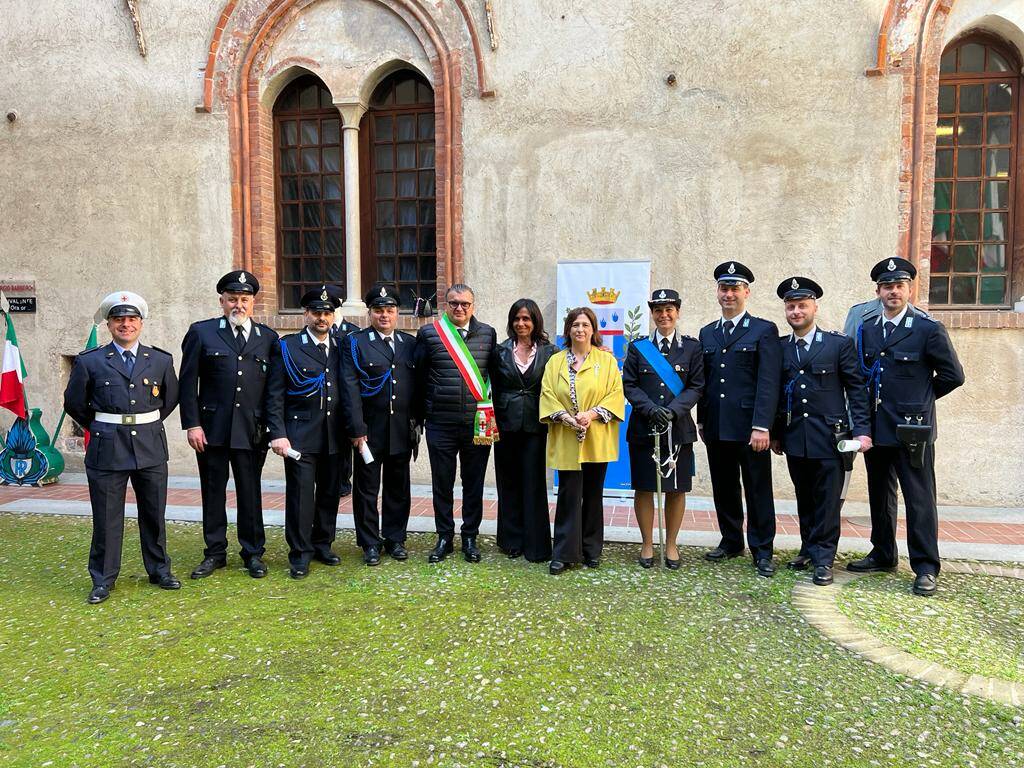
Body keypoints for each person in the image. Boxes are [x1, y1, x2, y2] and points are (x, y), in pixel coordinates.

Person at [848, 257, 965, 596]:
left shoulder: (928, 329)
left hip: (913, 430)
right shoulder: (867, 329)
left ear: (909, 289)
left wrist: (920, 401)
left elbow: (952, 376)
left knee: (919, 499)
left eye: (899, 285)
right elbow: (862, 380)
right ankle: (883, 552)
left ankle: (926, 566)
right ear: (878, 291)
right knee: (879, 494)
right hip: (878, 427)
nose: (893, 291)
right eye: (887, 286)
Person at [63, 292, 181, 604]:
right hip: (107, 446)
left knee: (154, 513)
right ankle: (103, 579)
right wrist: (102, 426)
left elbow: (169, 400)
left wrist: (143, 422)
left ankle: (159, 570)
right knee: (106, 517)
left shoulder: (160, 360)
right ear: (109, 324)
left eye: (131, 319)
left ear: (141, 323)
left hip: (150, 446)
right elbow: (75, 403)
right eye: (118, 320)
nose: (125, 325)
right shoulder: (91, 361)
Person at [769, 277, 872, 586]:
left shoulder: (838, 344)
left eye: (802, 305)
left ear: (814, 307)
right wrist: (775, 433)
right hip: (794, 436)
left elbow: (856, 390)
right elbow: (774, 394)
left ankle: (824, 559)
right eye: (791, 306)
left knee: (827, 501)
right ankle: (808, 548)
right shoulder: (781, 348)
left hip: (831, 437)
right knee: (805, 498)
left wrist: (862, 431)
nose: (796, 311)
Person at [178, 270, 279, 580]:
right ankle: (215, 552)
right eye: (232, 299)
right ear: (222, 301)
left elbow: (273, 390)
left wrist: (272, 429)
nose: (239, 305)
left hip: (251, 430)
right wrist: (192, 425)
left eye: (245, 299)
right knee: (213, 492)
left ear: (253, 302)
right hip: (212, 430)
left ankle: (253, 553)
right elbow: (187, 383)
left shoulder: (267, 338)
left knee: (251, 493)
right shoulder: (202, 332)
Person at [697, 262, 782, 578]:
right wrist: (702, 421)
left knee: (758, 489)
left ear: (746, 292)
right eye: (724, 288)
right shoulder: (708, 333)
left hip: (751, 428)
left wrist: (763, 425)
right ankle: (731, 540)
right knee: (724, 486)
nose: (729, 294)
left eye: (735, 288)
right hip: (718, 425)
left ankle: (762, 549)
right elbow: (705, 382)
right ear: (718, 293)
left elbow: (768, 382)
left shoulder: (763, 330)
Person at [265, 284, 350, 578]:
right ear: (306, 313)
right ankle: (299, 553)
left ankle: (322, 544)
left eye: (327, 313)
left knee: (330, 493)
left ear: (333, 315)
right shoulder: (288, 346)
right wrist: (277, 433)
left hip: (334, 433)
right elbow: (275, 394)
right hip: (300, 434)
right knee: (301, 497)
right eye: (316, 312)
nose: (322, 318)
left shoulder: (342, 345)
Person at [414, 283, 498, 564]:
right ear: (445, 305)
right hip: (441, 423)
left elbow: (494, 376)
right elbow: (420, 378)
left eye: (465, 304)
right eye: (453, 303)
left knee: (473, 483)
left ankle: (470, 536)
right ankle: (444, 537)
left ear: (473, 306)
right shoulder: (429, 334)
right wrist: (425, 412)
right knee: (442, 483)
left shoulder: (488, 333)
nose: (459, 308)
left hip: (478, 423)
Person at [622, 289, 704, 569]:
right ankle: (647, 543)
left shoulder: (692, 348)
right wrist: (650, 409)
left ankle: (670, 544)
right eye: (658, 310)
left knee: (677, 489)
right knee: (644, 488)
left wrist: (672, 411)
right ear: (652, 314)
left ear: (677, 312)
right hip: (644, 427)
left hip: (678, 428)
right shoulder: (638, 347)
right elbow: (629, 384)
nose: (664, 315)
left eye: (669, 309)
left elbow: (697, 386)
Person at [539, 307, 625, 574]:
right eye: (575, 324)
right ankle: (564, 552)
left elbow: (614, 394)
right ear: (568, 330)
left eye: (585, 325)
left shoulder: (606, 361)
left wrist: (591, 414)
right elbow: (547, 393)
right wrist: (566, 417)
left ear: (593, 330)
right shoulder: (555, 361)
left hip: (596, 436)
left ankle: (591, 549)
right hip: (566, 435)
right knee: (568, 493)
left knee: (592, 494)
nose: (580, 329)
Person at [342, 284, 419, 565]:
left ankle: (395, 538)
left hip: (400, 428)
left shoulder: (410, 344)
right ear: (370, 313)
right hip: (369, 430)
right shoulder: (355, 342)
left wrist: (416, 424)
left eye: (389, 310)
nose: (384, 315)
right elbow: (349, 389)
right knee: (367, 489)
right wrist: (356, 429)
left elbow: (417, 388)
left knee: (399, 488)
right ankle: (369, 542)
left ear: (398, 313)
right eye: (378, 310)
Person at [489, 298, 557, 562]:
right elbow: (491, 385)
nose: (521, 323)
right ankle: (511, 541)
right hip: (505, 424)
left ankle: (536, 543)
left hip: (535, 425)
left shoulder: (550, 352)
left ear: (535, 321)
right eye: (517, 319)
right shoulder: (500, 351)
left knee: (533, 482)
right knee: (508, 483)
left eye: (526, 319)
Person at [332, 315, 360, 498]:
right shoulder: (322, 326)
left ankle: (344, 480)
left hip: (348, 397)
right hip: (331, 395)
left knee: (346, 444)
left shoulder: (353, 331)